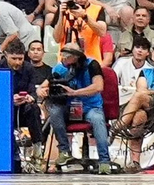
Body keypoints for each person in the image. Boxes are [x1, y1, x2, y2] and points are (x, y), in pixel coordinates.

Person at [42, 42, 114, 173]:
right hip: (69, 107)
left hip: (90, 105)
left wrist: (74, 92)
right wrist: (41, 91)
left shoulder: (92, 64)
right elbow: (43, 86)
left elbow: (98, 86)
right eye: (63, 56)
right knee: (54, 110)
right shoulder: (59, 68)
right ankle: (64, 151)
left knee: (98, 120)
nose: (64, 59)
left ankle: (104, 160)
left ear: (76, 57)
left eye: (67, 57)